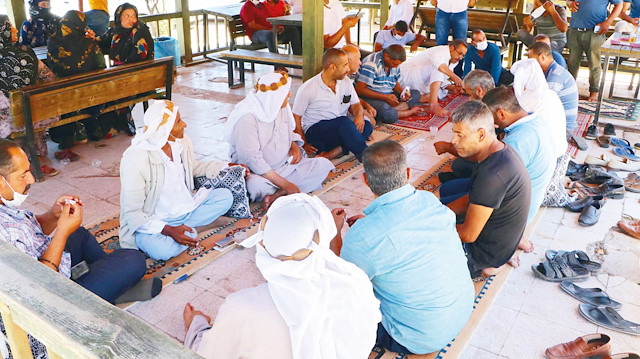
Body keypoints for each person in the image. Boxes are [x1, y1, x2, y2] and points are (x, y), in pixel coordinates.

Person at [183, 193, 381, 359]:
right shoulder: (356, 285)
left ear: (265, 242)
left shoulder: (241, 307)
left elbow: (208, 353)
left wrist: (196, 326)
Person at [333, 140, 474, 355]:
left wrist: (336, 233)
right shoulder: (429, 200)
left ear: (365, 180)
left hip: (417, 337)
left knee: (331, 301)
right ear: (408, 173)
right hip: (461, 312)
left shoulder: (363, 236)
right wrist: (368, 224)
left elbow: (342, 284)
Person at [0, 139, 158, 303]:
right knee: (134, 260)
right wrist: (61, 231)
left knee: (78, 234)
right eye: (23, 175)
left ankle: (109, 287)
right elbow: (41, 285)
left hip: (46, 270)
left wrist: (54, 215)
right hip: (50, 298)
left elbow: (30, 233)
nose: (31, 179)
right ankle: (109, 290)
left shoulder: (4, 205)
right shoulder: (3, 231)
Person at [119, 100, 234, 261]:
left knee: (225, 197)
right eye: (179, 122)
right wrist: (168, 230)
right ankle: (194, 229)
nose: (184, 125)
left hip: (187, 210)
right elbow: (132, 213)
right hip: (157, 221)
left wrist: (225, 165)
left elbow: (193, 167)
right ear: (164, 129)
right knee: (162, 252)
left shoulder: (181, 142)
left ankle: (188, 230)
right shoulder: (136, 158)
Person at [443, 101, 531, 277]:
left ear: (481, 135)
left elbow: (468, 235)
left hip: (482, 255)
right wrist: (440, 213)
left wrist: (430, 227)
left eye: (460, 135)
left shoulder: (492, 175)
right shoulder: (500, 152)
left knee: (416, 247)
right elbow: (472, 198)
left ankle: (484, 268)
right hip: (500, 242)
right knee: (438, 205)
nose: (453, 141)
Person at [227, 71, 334, 208]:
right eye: (286, 92)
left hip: (286, 166)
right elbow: (251, 159)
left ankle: (278, 194)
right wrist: (286, 184)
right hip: (260, 174)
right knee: (255, 187)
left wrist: (294, 146)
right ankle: (284, 189)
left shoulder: (280, 106)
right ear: (273, 97)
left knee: (322, 165)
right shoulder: (247, 118)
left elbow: (289, 130)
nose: (290, 95)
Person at [483, 86, 554, 229]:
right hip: (527, 203)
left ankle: (516, 237)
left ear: (501, 114)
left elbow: (492, 183)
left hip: (514, 218)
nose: (493, 125)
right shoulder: (537, 120)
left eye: (491, 120)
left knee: (450, 193)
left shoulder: (518, 140)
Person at [0, 15, 60, 177]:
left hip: (5, 124)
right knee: (30, 107)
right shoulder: (26, 52)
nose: (14, 30)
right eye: (10, 27)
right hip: (32, 116)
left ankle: (11, 165)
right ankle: (37, 158)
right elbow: (49, 77)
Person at [47, 10, 106, 162]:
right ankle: (92, 130)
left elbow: (52, 71)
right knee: (89, 90)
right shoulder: (89, 43)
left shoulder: (52, 42)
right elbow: (101, 66)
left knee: (61, 94)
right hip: (91, 96)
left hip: (64, 96)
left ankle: (71, 136)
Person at [293, 48, 372, 161]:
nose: (348, 69)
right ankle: (367, 157)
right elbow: (296, 117)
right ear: (333, 67)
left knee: (366, 125)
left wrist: (359, 115)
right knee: (345, 123)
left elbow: (356, 104)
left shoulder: (345, 81)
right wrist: (304, 144)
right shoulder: (308, 88)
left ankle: (333, 153)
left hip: (340, 129)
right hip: (317, 134)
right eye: (345, 65)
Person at [434, 69, 494, 182]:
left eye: (469, 94)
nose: (469, 99)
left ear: (479, 91)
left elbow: (477, 154)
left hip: (492, 167)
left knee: (459, 165)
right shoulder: (497, 99)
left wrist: (448, 147)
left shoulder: (486, 113)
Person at [566, 0, 622, 102]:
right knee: (572, 63)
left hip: (595, 31)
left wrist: (608, 21)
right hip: (575, 29)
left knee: (594, 63)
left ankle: (594, 93)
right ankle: (570, 91)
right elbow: (568, 1)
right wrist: (569, 3)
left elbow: (619, 4)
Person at [510, 58, 567, 158]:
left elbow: (512, 125)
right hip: (560, 148)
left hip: (548, 155)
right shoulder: (549, 92)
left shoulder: (527, 99)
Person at [355, 45, 421, 124]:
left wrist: (402, 93)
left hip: (387, 95)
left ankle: (393, 110)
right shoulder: (372, 63)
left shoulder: (394, 64)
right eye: (395, 64)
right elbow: (359, 90)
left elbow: (393, 82)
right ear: (386, 56)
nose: (396, 67)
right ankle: (406, 112)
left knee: (416, 93)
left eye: (398, 65)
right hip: (370, 97)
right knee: (387, 112)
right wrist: (385, 97)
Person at [398, 39, 467, 116]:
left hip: (419, 81)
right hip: (406, 76)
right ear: (451, 48)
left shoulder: (454, 61)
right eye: (460, 53)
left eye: (463, 55)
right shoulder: (441, 51)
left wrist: (452, 88)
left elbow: (441, 79)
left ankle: (421, 97)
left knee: (441, 92)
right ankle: (433, 104)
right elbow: (440, 68)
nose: (461, 57)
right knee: (438, 69)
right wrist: (455, 77)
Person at [528, 41, 578, 131]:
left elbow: (542, 105)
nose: (530, 63)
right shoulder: (551, 71)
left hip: (563, 129)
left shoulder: (555, 77)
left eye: (532, 60)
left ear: (542, 57)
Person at [342, 44, 379, 122]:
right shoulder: (337, 78)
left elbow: (353, 98)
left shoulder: (346, 79)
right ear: (349, 60)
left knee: (368, 123)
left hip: (345, 114)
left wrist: (366, 106)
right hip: (337, 119)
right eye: (358, 59)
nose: (360, 63)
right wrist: (360, 114)